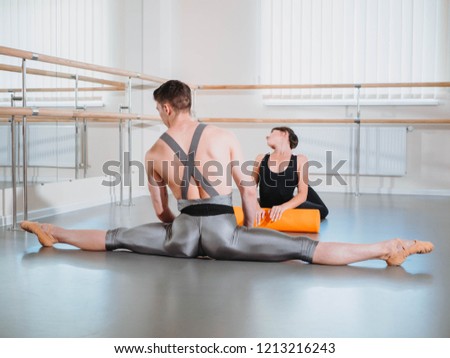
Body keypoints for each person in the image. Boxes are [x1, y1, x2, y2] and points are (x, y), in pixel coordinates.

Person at [21, 80, 433, 266]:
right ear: (187, 104)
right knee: (303, 249)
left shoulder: (152, 152)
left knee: (117, 238)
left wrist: (175, 227)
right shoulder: (223, 136)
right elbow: (248, 196)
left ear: (165, 107)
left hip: (180, 238)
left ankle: (53, 233)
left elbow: (163, 215)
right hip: (226, 234)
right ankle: (388, 248)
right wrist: (251, 229)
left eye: (157, 108)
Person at [252, 127, 328, 224]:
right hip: (266, 203)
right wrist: (255, 206)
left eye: (272, 133)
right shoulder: (260, 158)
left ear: (284, 134)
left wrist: (283, 207)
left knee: (323, 211)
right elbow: (249, 189)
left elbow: (302, 195)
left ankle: (301, 184)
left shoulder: (300, 160)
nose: (267, 136)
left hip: (288, 204)